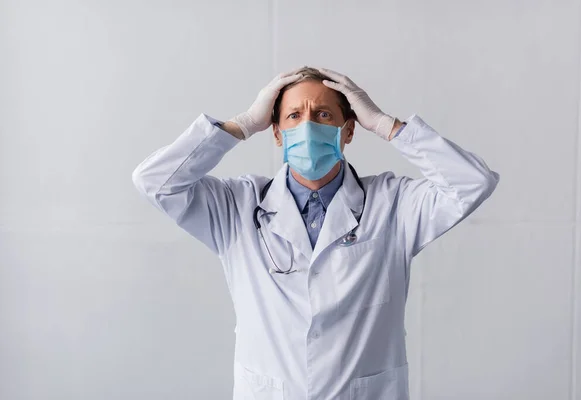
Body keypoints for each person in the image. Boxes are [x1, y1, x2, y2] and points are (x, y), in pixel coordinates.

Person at [132, 66, 500, 399]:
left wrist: (388, 125)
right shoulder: (237, 206)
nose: (308, 126)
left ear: (349, 129)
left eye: (323, 115)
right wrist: (241, 124)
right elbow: (154, 182)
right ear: (276, 133)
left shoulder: (394, 204)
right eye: (293, 115)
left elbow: (472, 183)